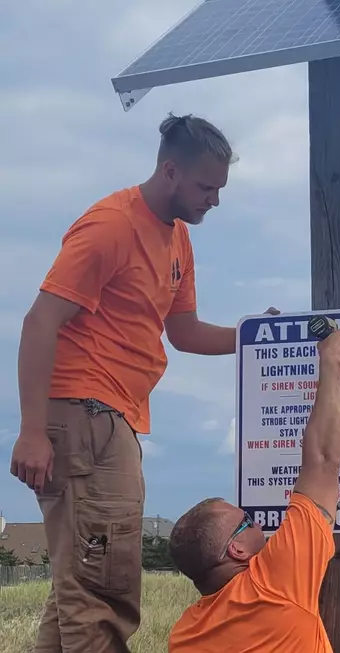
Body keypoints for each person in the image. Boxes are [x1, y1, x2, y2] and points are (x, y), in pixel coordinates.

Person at [7, 112, 277, 653]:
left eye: (220, 189)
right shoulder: (111, 226)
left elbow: (183, 332)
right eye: (206, 187)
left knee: (75, 598)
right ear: (170, 172)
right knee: (102, 594)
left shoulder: (177, 240)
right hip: (85, 416)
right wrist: (32, 432)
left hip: (114, 419)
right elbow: (40, 321)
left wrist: (255, 336)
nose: (214, 201)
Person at [167, 327, 340, 653]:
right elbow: (323, 459)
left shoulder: (185, 636)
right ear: (236, 550)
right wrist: (333, 360)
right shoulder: (274, 582)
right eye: (248, 520)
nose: (259, 523)